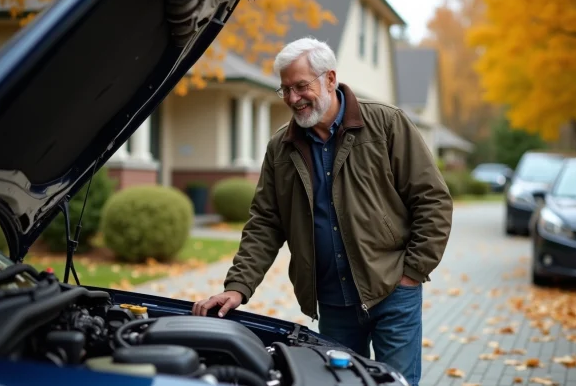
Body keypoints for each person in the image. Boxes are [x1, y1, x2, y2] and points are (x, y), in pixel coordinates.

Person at [192, 37, 453, 386]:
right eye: (285, 89)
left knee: (395, 383)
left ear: (330, 79)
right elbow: (266, 224)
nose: (292, 98)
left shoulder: (388, 124)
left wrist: (412, 272)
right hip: (333, 302)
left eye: (301, 86)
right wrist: (238, 286)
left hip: (392, 293)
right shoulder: (280, 148)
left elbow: (432, 200)